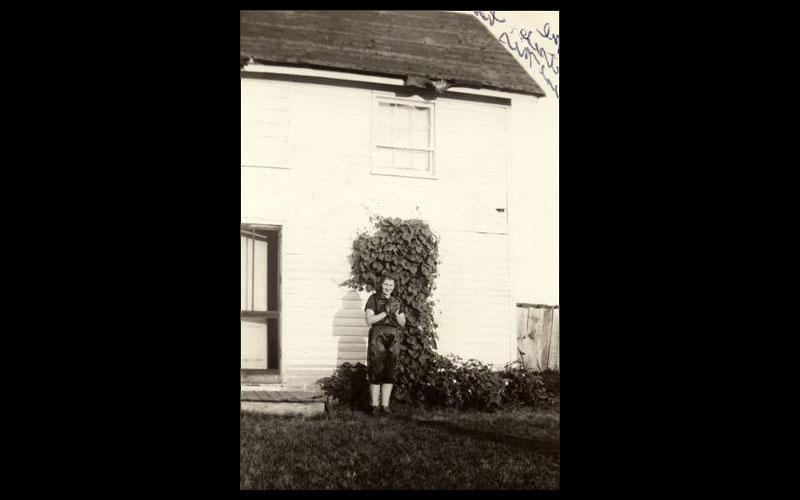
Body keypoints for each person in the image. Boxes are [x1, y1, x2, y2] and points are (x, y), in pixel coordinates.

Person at [364, 274, 406, 417]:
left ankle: (385, 406)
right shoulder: (373, 299)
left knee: (390, 370)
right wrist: (385, 311)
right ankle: (374, 406)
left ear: (394, 287)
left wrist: (396, 313)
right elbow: (369, 320)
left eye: (391, 285)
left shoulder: (397, 301)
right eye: (386, 284)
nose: (388, 287)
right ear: (381, 284)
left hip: (393, 335)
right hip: (378, 334)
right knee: (376, 369)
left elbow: (402, 323)